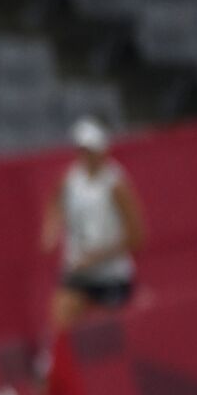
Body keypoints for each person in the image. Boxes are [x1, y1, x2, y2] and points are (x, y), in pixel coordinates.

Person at [41, 116, 145, 336]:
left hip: (110, 275)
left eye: (89, 150)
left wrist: (95, 258)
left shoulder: (116, 185)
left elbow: (137, 236)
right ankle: (53, 364)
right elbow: (55, 202)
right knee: (60, 316)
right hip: (78, 270)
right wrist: (51, 230)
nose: (84, 155)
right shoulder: (70, 178)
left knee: (106, 336)